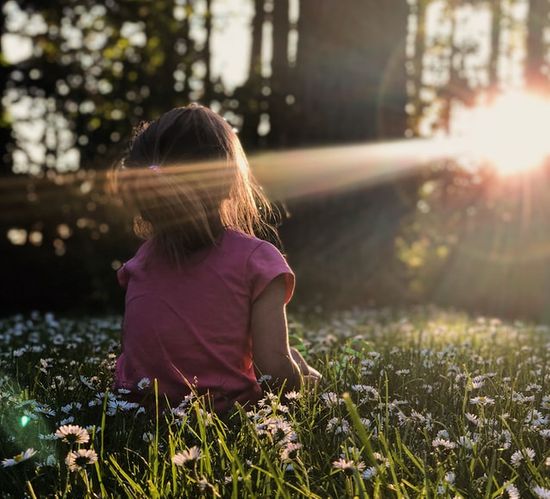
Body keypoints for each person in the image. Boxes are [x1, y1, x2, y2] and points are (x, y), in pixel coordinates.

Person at [111, 104, 321, 413]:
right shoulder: (257, 261)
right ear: (227, 180)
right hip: (225, 416)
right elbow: (273, 371)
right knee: (296, 364)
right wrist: (306, 383)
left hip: (139, 411)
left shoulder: (140, 263)